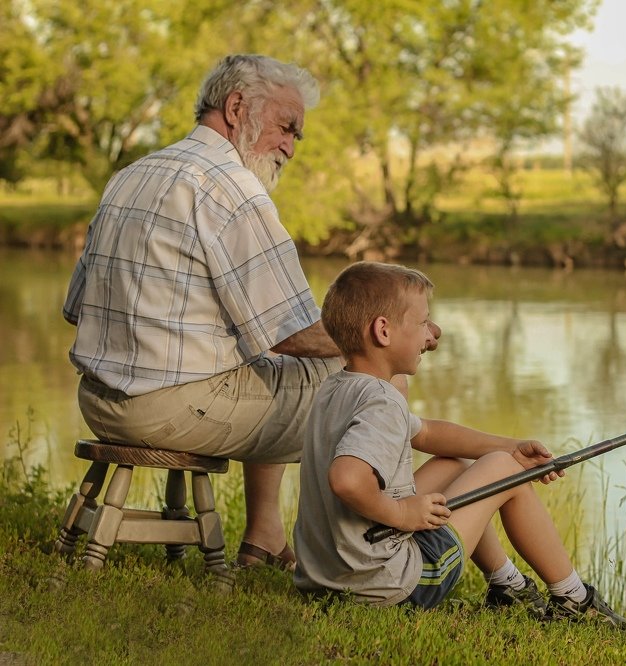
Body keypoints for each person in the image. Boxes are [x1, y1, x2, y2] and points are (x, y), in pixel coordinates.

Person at [62, 55, 438, 570]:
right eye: (287, 127)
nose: (290, 146)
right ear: (237, 107)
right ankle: (380, 551)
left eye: (296, 135)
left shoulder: (132, 174)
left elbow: (75, 307)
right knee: (375, 376)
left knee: (275, 367)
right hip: (170, 412)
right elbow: (294, 333)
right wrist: (386, 336)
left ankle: (264, 535)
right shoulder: (233, 189)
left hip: (99, 401)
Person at [293, 261, 626, 627]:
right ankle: (574, 600)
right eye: (423, 322)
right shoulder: (382, 401)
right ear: (383, 331)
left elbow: (427, 434)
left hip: (326, 579)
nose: (432, 333)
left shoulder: (337, 388)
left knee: (455, 464)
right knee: (503, 469)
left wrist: (511, 446)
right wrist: (403, 514)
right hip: (388, 585)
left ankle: (509, 586)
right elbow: (347, 480)